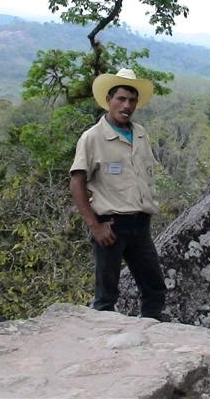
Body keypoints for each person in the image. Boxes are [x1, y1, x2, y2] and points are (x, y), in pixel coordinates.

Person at [69, 68, 167, 320]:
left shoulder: (141, 134)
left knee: (154, 287)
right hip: (111, 226)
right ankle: (102, 351)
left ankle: (150, 339)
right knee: (106, 296)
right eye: (121, 99)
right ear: (108, 101)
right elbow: (77, 181)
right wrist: (95, 226)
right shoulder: (92, 138)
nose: (127, 105)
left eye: (132, 100)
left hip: (140, 224)